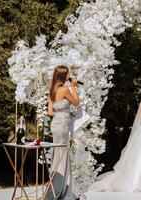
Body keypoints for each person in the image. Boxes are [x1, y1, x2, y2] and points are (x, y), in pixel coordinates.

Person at [46, 65, 79, 200]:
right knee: (63, 155)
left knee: (58, 155)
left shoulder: (52, 90)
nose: (68, 76)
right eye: (67, 74)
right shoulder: (65, 89)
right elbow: (76, 102)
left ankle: (56, 186)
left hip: (55, 125)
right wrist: (74, 86)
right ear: (63, 76)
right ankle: (62, 188)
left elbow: (50, 112)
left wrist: (62, 113)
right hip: (63, 126)